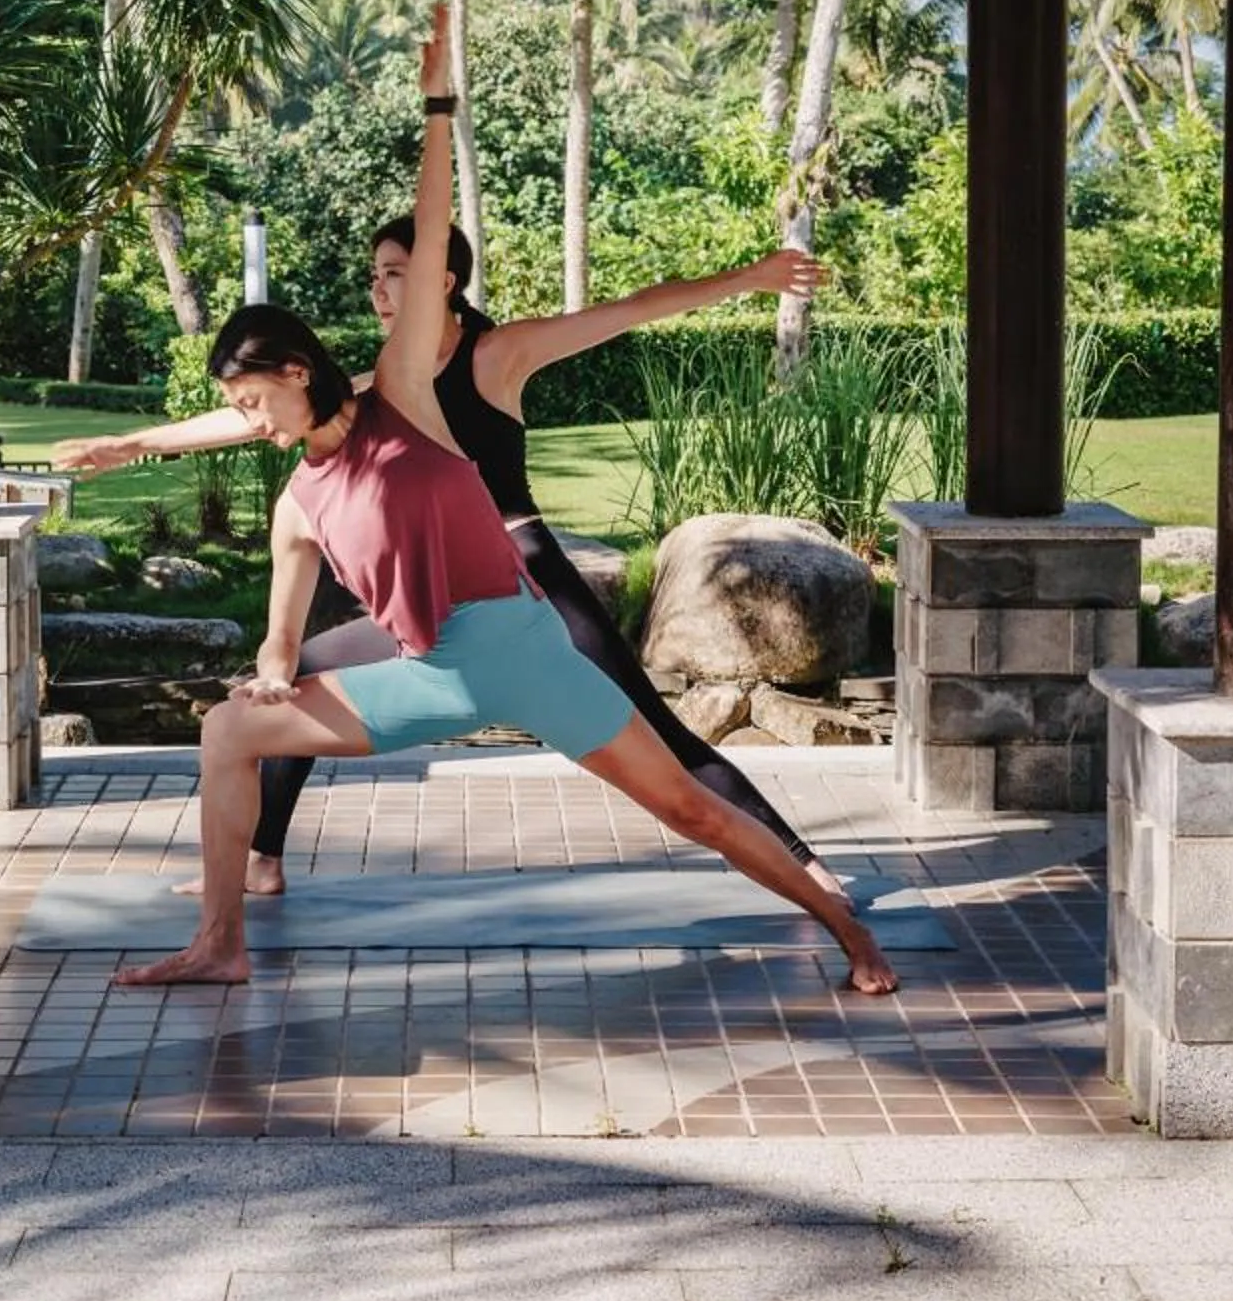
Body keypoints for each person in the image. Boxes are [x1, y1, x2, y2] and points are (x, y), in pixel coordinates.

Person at [62, 5, 898, 998]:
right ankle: (222, 936)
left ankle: (846, 926)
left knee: (688, 806)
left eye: (254, 399)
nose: (250, 420)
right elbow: (281, 630)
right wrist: (271, 659)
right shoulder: (301, 496)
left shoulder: (410, 387)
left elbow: (446, 237)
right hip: (435, 673)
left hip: (527, 641)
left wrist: (439, 107)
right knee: (231, 727)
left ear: (297, 371)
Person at [61, 224, 844, 906]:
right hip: (440, 604)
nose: (377, 287)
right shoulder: (387, 377)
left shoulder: (497, 354)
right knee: (292, 677)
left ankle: (805, 866)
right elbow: (248, 415)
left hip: (526, 580)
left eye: (394, 271)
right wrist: (131, 444)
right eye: (372, 274)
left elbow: (632, 309)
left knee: (663, 739)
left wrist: (751, 279)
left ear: (442, 278)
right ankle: (261, 859)